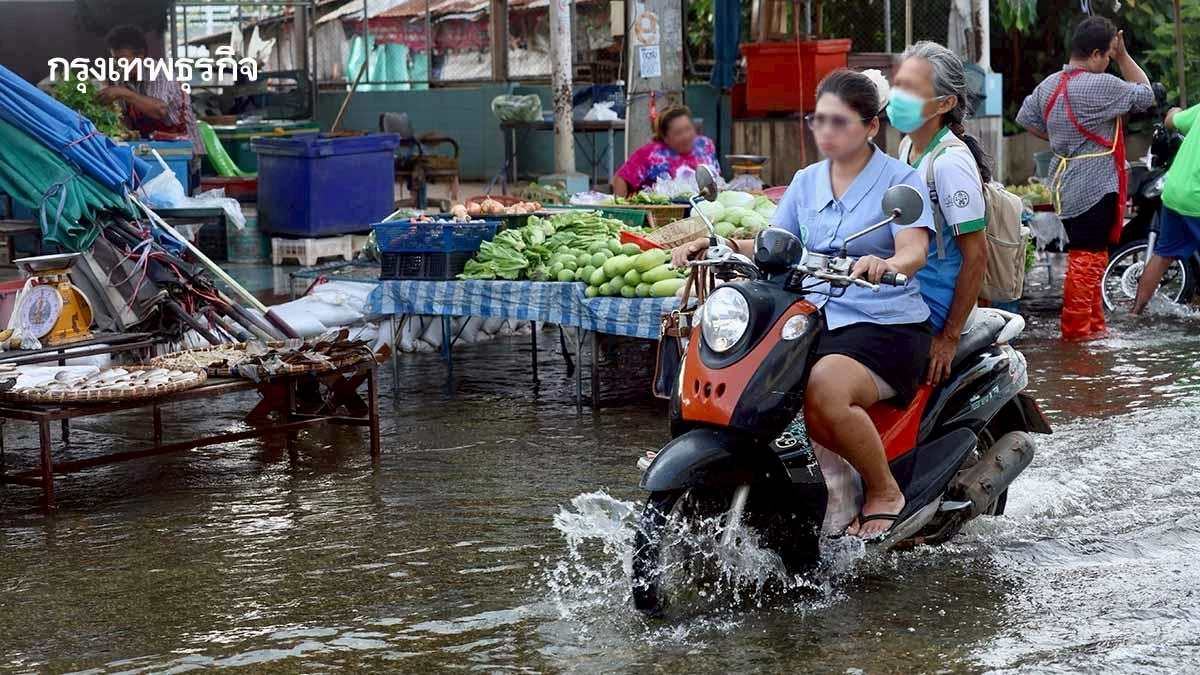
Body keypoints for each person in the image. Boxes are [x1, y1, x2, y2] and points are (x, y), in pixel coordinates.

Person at [671, 70, 935, 538]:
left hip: (884, 321)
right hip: (813, 316)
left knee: (824, 388)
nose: (826, 132)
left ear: (872, 126)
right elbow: (776, 244)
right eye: (819, 120)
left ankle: (883, 489)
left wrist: (886, 261)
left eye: (839, 122)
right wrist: (717, 245)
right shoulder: (806, 180)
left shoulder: (901, 181)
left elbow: (914, 249)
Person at [1016, 17, 1154, 341]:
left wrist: (1060, 140)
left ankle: (1094, 329)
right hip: (1094, 182)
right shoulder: (1100, 85)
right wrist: (1124, 58)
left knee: (1092, 256)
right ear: (1095, 54)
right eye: (1107, 56)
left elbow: (1025, 117)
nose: (1108, 62)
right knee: (1085, 258)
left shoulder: (1049, 84)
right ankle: (1076, 336)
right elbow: (1147, 94)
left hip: (1065, 181)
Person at [890, 41, 992, 385]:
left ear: (945, 103)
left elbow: (976, 255)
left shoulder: (950, 164)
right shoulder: (907, 146)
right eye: (898, 84)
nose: (898, 95)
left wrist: (948, 337)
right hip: (906, 289)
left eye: (911, 88)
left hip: (933, 304)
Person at [99, 24, 206, 192]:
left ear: (140, 55)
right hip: (150, 151)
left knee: (182, 198)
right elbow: (125, 119)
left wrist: (124, 93)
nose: (119, 65)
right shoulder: (120, 79)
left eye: (123, 59)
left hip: (181, 151)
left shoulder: (158, 72)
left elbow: (159, 109)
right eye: (115, 60)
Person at [1132, 102, 1200, 314]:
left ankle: (1134, 312)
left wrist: (1175, 111)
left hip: (1173, 191)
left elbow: (1171, 120)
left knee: (1163, 254)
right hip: (1196, 198)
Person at [614, 105, 718, 197]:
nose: (686, 136)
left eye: (688, 129)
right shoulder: (650, 155)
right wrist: (622, 209)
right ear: (665, 137)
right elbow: (621, 179)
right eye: (678, 133)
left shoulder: (705, 145)